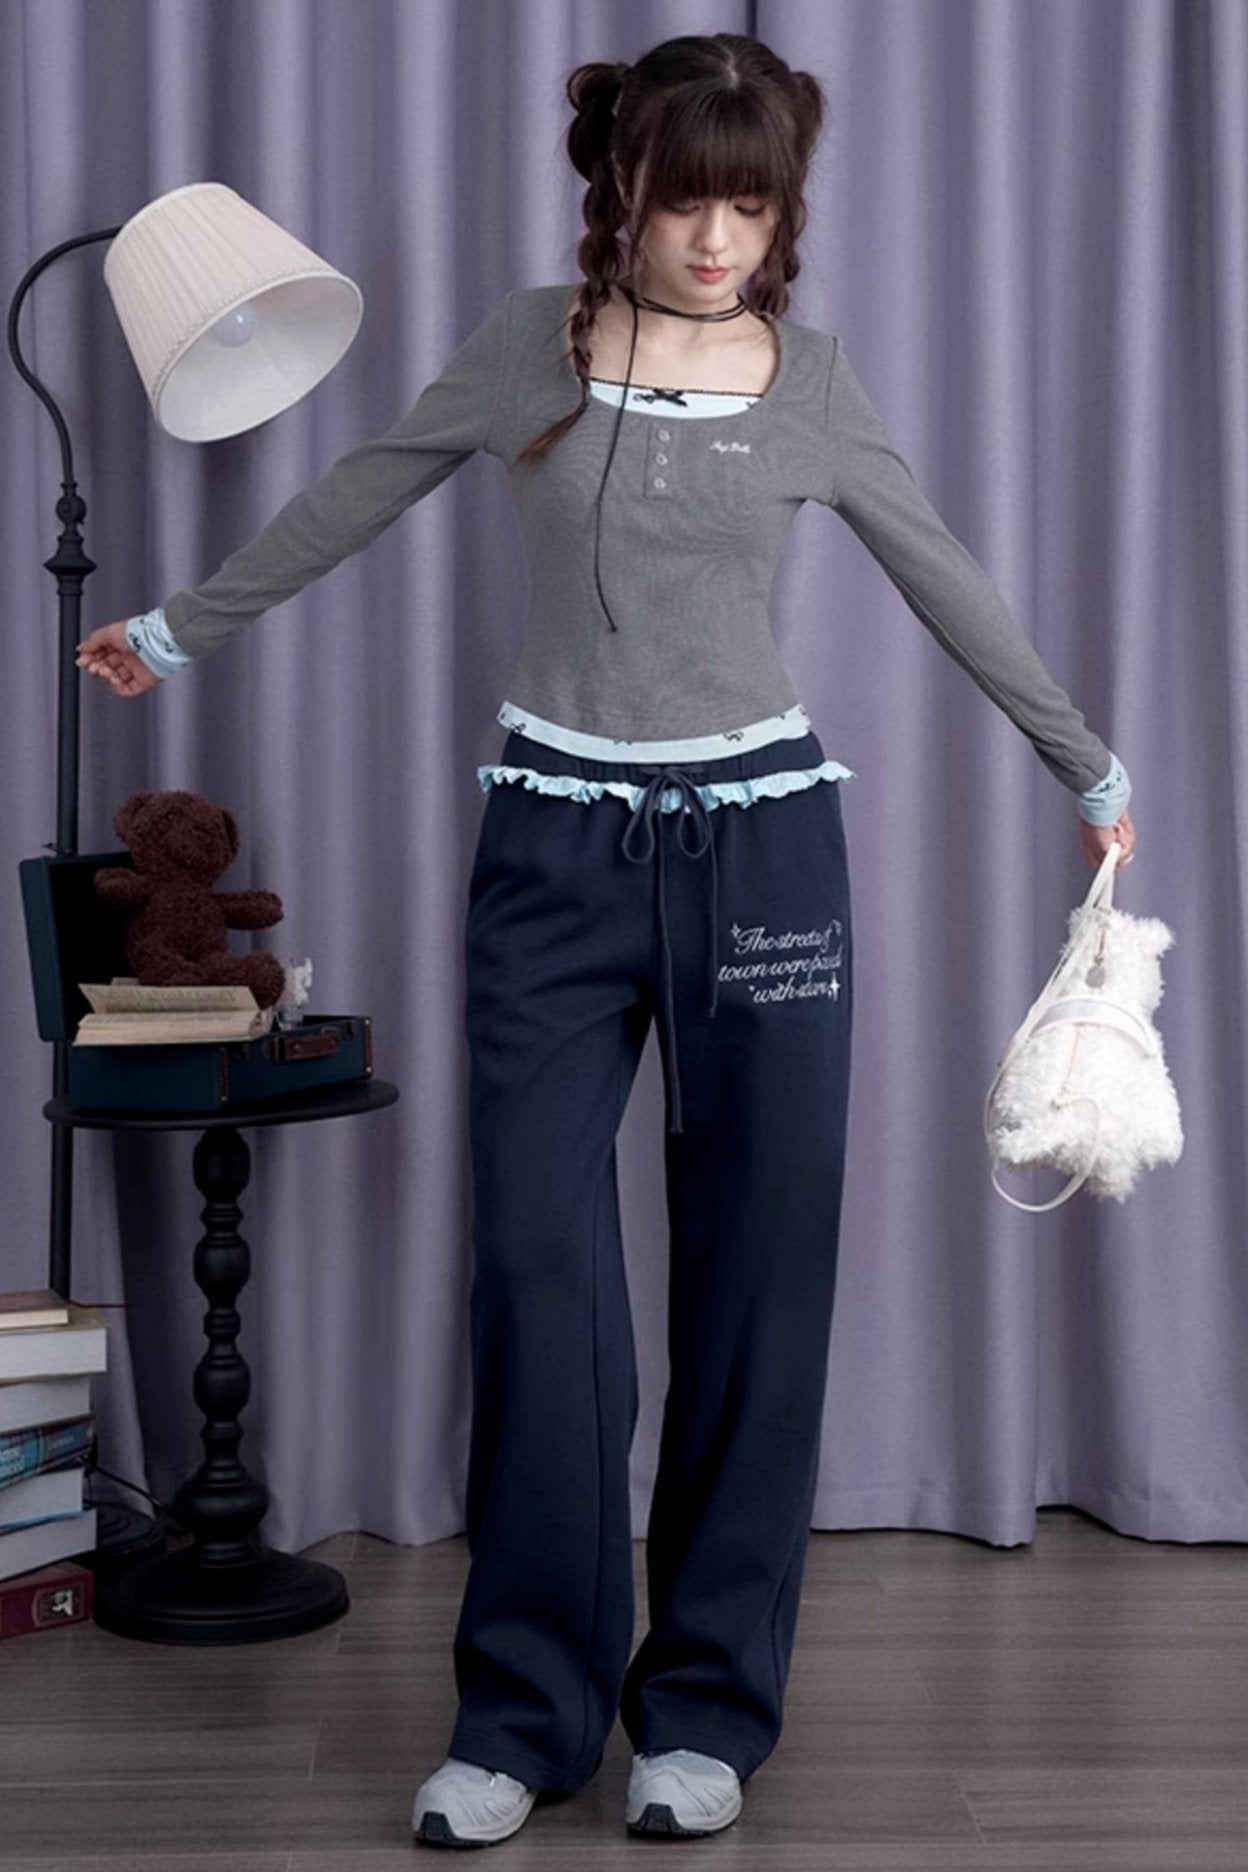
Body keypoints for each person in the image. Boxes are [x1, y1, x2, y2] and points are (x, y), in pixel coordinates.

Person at [77, 31, 1136, 1850]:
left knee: (759, 1274)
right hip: (552, 853)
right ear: (623, 191)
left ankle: (702, 1713)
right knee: (538, 1276)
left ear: (782, 213)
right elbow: (364, 485)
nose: (717, 240)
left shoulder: (813, 384)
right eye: (687, 199)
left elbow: (943, 571)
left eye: (753, 206)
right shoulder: (530, 349)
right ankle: (521, 1716)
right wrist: (179, 629)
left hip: (767, 859)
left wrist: (1086, 764)